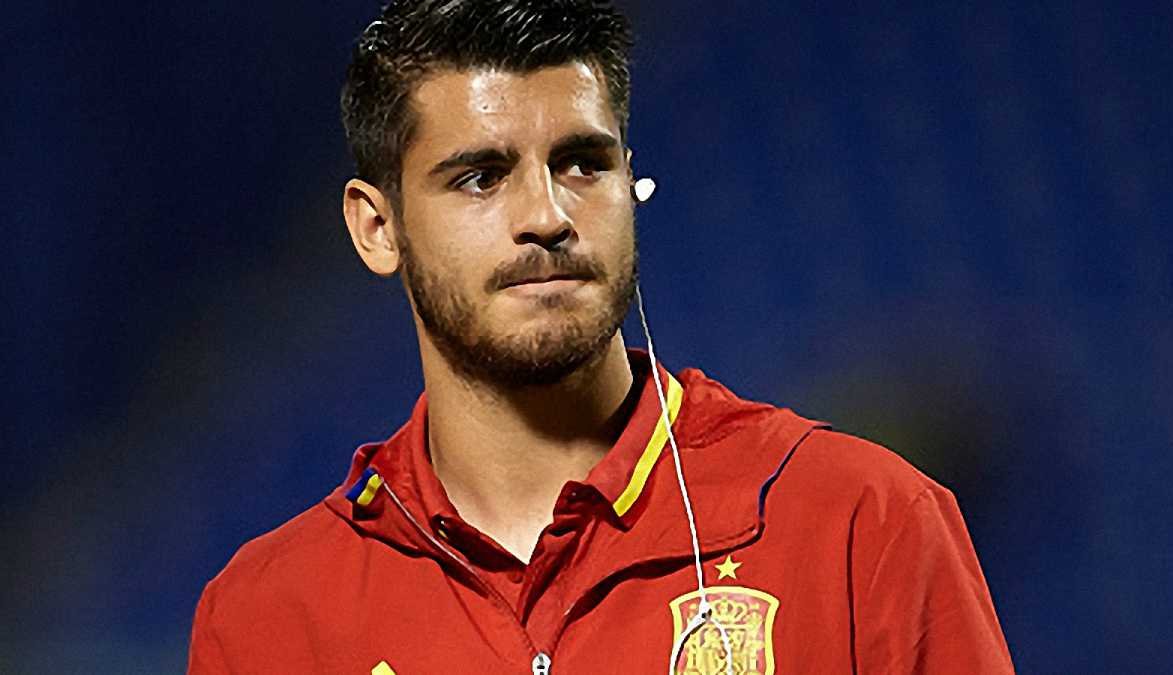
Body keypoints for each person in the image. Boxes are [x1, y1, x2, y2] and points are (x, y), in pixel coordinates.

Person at [187, 1, 1014, 673]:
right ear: (377, 227)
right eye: (480, 177)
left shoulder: (860, 523)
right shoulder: (267, 616)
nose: (548, 215)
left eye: (583, 162)